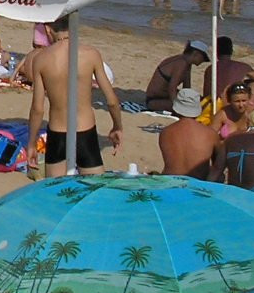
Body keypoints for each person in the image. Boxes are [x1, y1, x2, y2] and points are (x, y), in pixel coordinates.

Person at [28, 16, 124, 177]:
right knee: (92, 191)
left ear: (47, 29)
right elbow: (112, 101)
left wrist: (31, 143)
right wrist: (117, 127)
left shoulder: (41, 59)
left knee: (57, 193)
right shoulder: (91, 54)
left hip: (57, 133)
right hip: (85, 131)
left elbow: (38, 109)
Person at [158, 87, 220, 178]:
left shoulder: (165, 132)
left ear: (176, 108)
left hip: (170, 183)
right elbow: (217, 165)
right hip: (198, 183)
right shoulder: (211, 134)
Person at [144, 40, 210, 112]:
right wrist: (178, 107)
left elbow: (187, 89)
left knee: (200, 101)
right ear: (196, 54)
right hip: (155, 100)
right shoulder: (181, 63)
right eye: (203, 58)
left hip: (165, 97)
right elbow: (172, 88)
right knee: (187, 108)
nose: (202, 61)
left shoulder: (187, 63)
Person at [204, 37, 254, 107]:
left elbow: (206, 94)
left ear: (216, 51)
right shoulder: (242, 66)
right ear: (231, 51)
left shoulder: (210, 68)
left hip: (216, 104)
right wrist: (247, 76)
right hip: (234, 104)